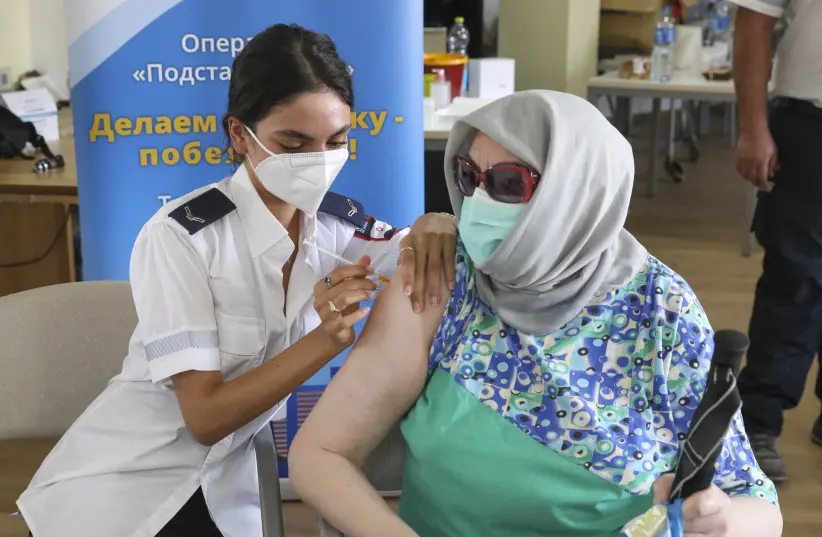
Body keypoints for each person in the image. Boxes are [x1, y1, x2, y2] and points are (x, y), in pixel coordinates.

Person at [16, 24, 458, 537]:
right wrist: (324, 342)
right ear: (238, 135)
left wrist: (435, 223)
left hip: (225, 486)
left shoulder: (336, 225)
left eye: (335, 141)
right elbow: (203, 417)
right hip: (122, 485)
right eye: (293, 142)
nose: (317, 160)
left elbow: (413, 252)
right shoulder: (183, 238)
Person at [288, 90, 783, 537]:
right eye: (467, 175)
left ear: (577, 192)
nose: (477, 201)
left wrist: (722, 519)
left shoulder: (661, 308)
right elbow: (320, 454)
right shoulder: (442, 278)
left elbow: (758, 506)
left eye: (507, 182)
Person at [730, 0, 822, 483]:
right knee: (797, 277)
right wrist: (752, 127)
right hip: (811, 126)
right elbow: (753, 21)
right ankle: (759, 420)